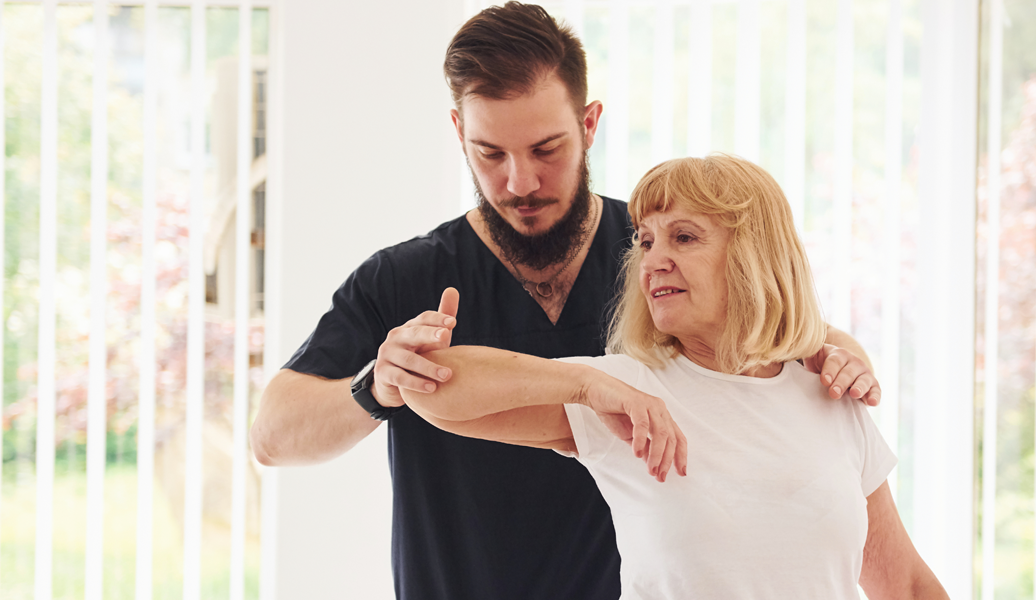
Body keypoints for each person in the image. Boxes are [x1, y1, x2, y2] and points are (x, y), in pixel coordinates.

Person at [248, 3, 882, 599]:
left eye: (545, 150)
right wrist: (378, 387)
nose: (520, 182)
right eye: (489, 154)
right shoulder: (403, 278)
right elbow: (275, 435)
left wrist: (841, 352)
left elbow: (772, 329)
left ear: (589, 124)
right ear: (458, 132)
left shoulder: (655, 260)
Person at [401, 154, 946, 599]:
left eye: (683, 237)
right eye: (645, 241)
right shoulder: (626, 391)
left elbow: (906, 586)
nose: (653, 260)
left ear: (753, 255)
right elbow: (435, 386)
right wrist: (587, 386)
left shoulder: (830, 392)